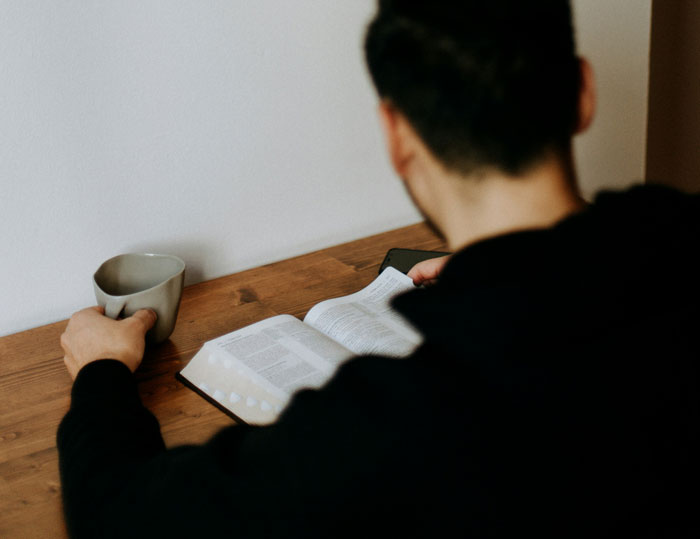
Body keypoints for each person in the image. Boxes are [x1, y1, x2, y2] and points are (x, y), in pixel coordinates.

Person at [58, 1, 700, 537]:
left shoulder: (397, 428)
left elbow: (120, 515)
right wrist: (520, 266)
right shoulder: (676, 235)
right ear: (584, 94)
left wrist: (100, 370)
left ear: (397, 136)